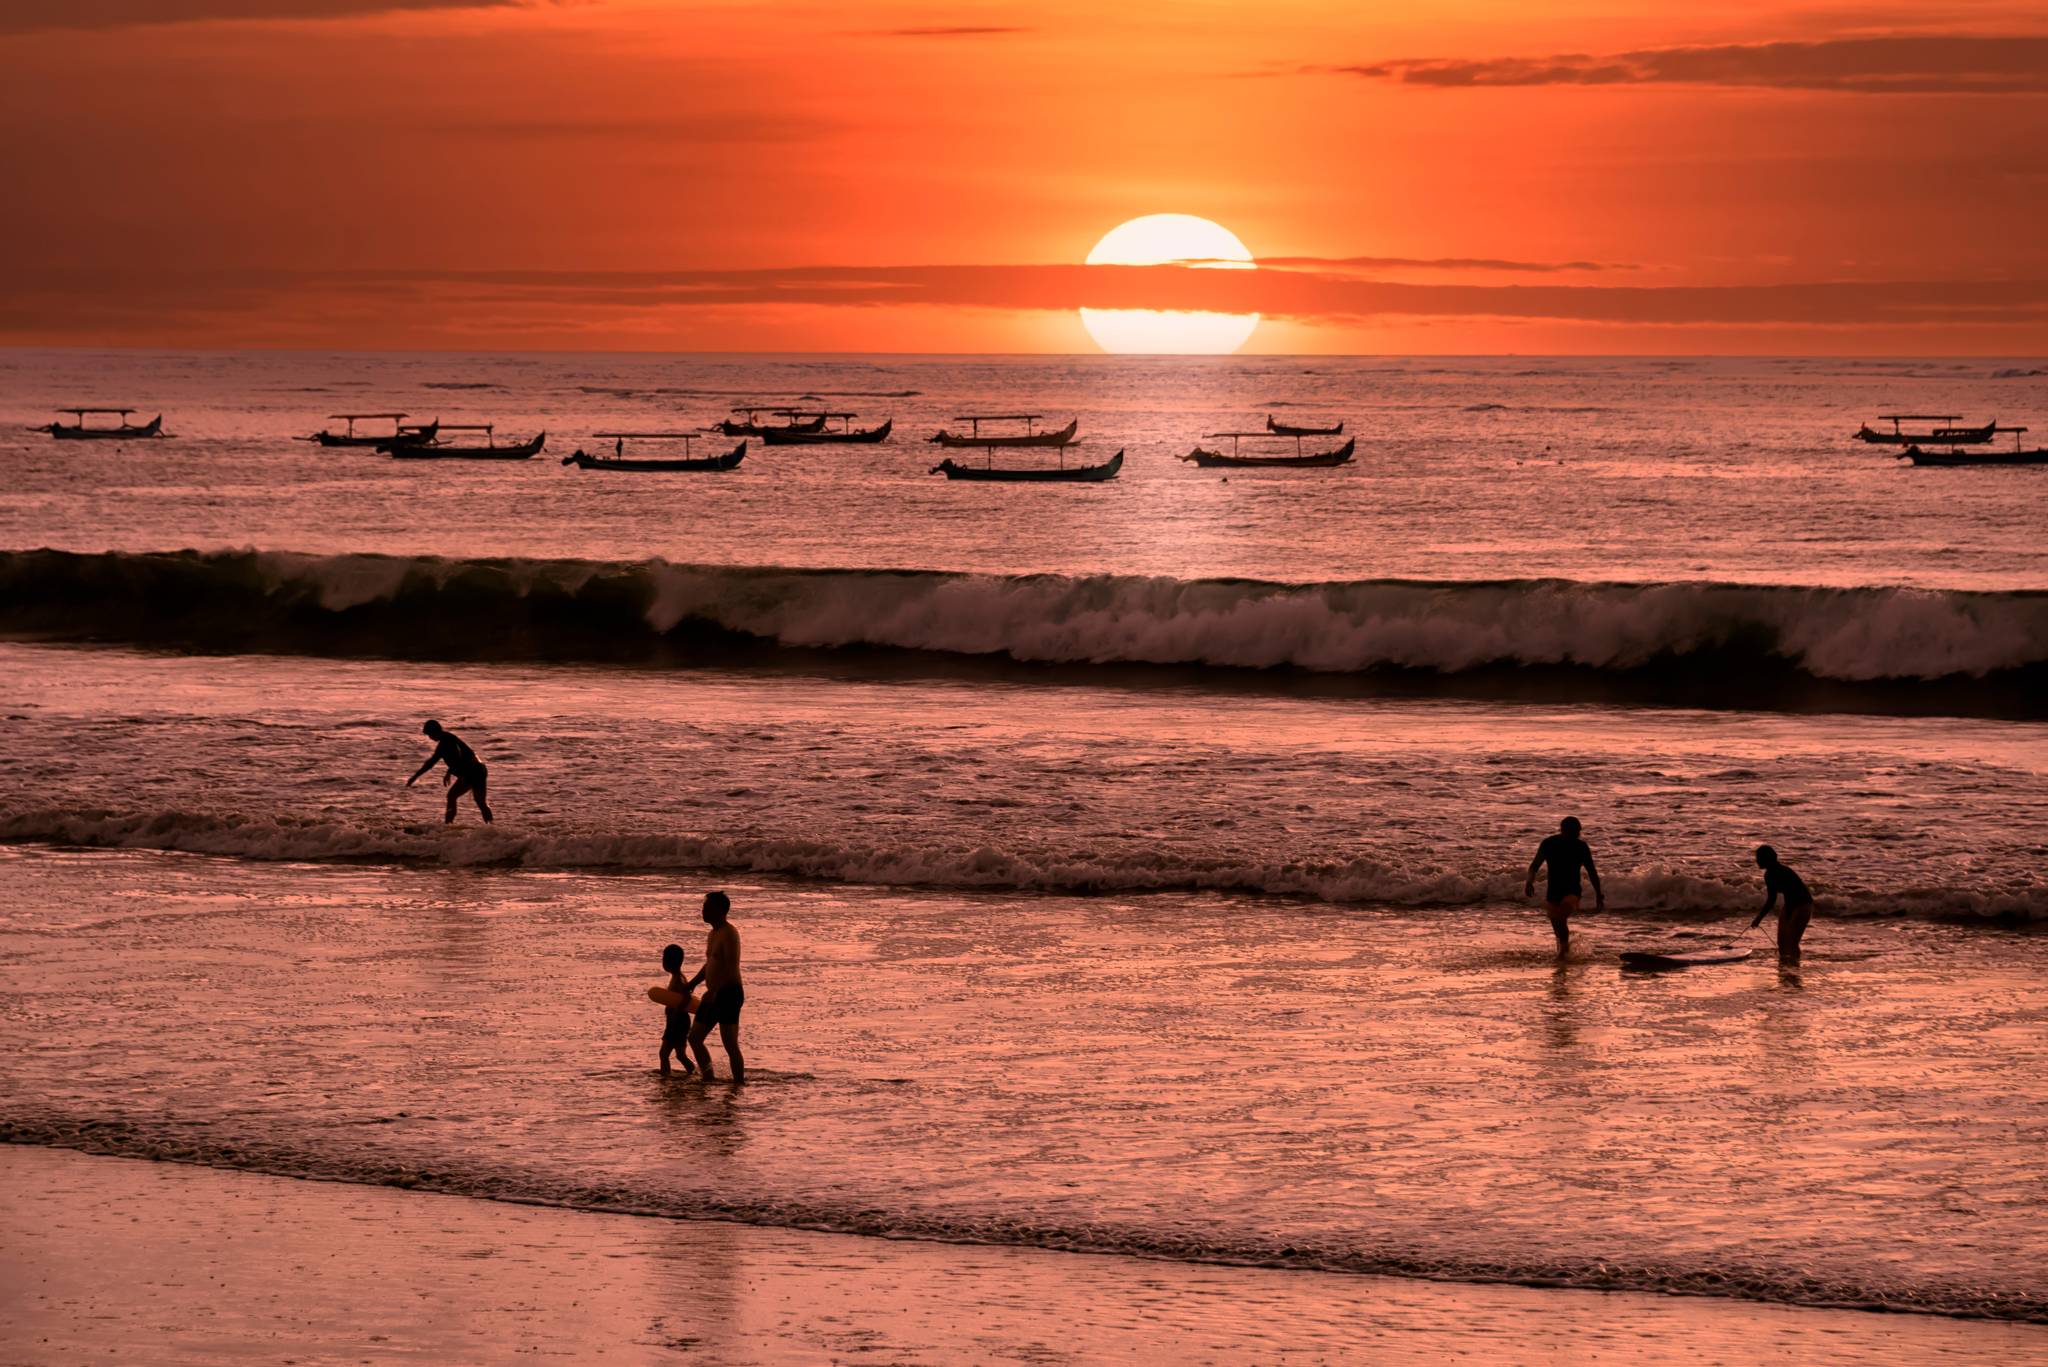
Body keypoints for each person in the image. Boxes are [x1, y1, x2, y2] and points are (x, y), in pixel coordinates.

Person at [685, 891, 745, 1083]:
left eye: (706, 907)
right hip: (713, 994)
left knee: (730, 1044)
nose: (702, 911)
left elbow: (730, 966)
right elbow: (710, 964)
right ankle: (708, 1077)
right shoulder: (712, 933)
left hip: (729, 993)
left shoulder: (729, 933)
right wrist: (692, 984)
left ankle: (739, 1083)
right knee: (694, 1038)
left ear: (719, 910)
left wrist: (715, 991)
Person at [1524, 816, 1603, 954]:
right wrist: (1529, 882)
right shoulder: (1549, 844)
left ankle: (1563, 954)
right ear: (1563, 830)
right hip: (1553, 891)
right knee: (1557, 925)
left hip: (1573, 891)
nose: (1577, 834)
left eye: (1578, 831)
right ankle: (1564, 952)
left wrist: (1598, 893)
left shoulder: (1581, 847)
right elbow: (1534, 866)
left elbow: (1592, 871)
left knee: (1560, 918)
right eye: (1574, 831)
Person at [405, 719, 493, 825]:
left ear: (434, 732)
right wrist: (449, 772)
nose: (429, 737)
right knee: (480, 802)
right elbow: (460, 756)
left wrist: (414, 777)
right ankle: (491, 827)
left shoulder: (445, 742)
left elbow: (433, 762)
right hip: (480, 769)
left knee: (452, 796)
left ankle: (448, 824)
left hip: (472, 771)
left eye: (429, 734)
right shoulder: (448, 738)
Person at [1750, 845, 1814, 962]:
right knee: (1782, 942)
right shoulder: (1768, 875)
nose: (1757, 860)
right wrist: (1758, 919)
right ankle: (1784, 968)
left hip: (1803, 904)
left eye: (1759, 857)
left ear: (1767, 859)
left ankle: (1794, 969)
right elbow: (1772, 898)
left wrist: (1759, 918)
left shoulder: (1782, 871)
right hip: (1790, 905)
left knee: (1792, 942)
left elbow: (1775, 899)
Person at [658, 943, 694, 1078]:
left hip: (678, 1021)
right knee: (680, 1055)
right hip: (678, 1021)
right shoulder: (677, 977)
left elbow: (687, 998)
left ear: (668, 962)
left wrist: (676, 1011)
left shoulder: (679, 979)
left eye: (664, 959)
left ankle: (665, 1077)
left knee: (663, 1053)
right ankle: (693, 1073)